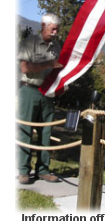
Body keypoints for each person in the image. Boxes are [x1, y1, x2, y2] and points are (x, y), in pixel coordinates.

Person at [18, 13, 63, 184]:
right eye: (53, 28)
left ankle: (43, 170)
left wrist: (62, 86)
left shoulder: (57, 46)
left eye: (57, 29)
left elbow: (58, 70)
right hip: (29, 91)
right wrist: (48, 64)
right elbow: (25, 68)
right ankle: (23, 170)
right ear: (43, 25)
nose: (55, 32)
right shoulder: (30, 42)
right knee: (25, 131)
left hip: (48, 93)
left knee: (46, 133)